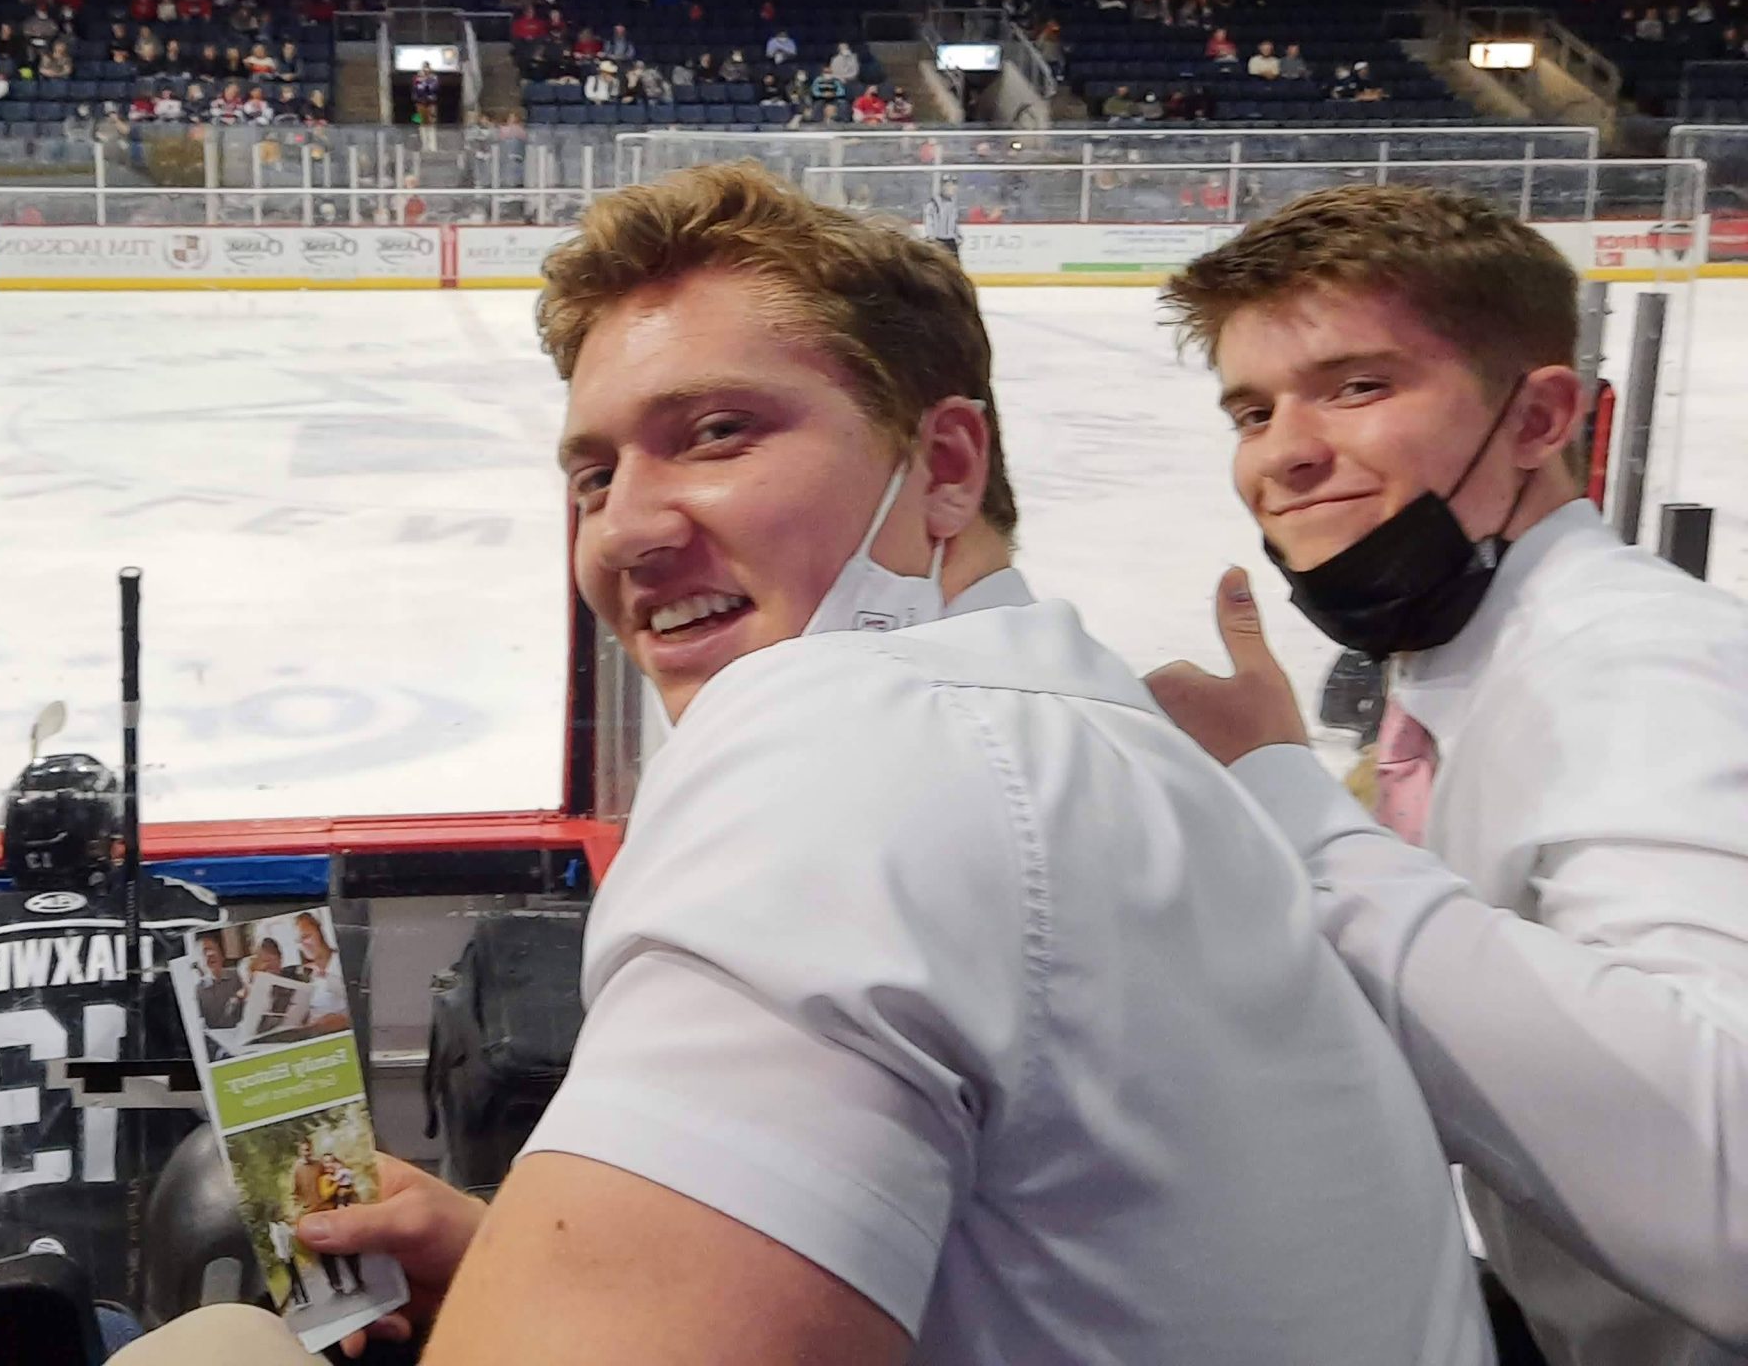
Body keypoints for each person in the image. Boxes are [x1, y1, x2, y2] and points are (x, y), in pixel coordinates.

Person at [257, 163, 1491, 1366]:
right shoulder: (1087, 727)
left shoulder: (851, 740)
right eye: (594, 474)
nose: (621, 529)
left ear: (945, 468)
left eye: (717, 433)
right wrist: (521, 1267)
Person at [1150, 184, 1748, 1366]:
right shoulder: (1463, 648)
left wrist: (1286, 803)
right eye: (1251, 410)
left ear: (1539, 419)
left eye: (1356, 387)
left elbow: (1725, 1182)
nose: (1283, 453)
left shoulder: (1633, 664)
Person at [0, 752, 219, 1304]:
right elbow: (231, 1087)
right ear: (105, 844)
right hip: (136, 1258)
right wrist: (98, 1080)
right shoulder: (178, 918)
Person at [921, 177, 962, 257]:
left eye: (954, 185)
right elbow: (929, 221)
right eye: (949, 186)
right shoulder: (934, 203)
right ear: (943, 187)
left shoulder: (953, 203)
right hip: (938, 240)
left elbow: (954, 222)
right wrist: (931, 236)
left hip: (951, 240)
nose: (953, 188)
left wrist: (957, 235)